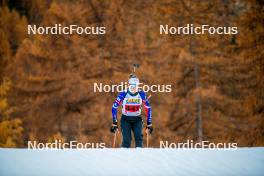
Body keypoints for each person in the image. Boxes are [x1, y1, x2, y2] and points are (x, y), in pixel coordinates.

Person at [110, 74, 153, 148]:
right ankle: (123, 157)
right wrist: (114, 122)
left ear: (138, 85)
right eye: (132, 86)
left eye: (135, 86)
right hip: (125, 119)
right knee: (127, 140)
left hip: (137, 119)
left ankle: (139, 157)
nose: (133, 88)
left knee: (138, 138)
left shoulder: (141, 93)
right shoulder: (124, 93)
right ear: (129, 85)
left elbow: (148, 108)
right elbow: (114, 107)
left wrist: (149, 123)